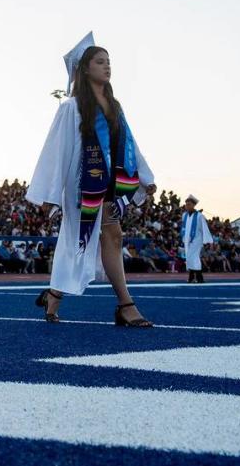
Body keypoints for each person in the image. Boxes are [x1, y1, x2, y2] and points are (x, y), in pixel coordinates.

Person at [26, 34, 157, 326]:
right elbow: (56, 151)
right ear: (85, 69)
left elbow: (129, 145)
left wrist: (144, 178)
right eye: (100, 62)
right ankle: (54, 294)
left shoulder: (114, 107)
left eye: (109, 62)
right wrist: (49, 193)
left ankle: (125, 305)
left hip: (110, 184)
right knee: (75, 242)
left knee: (113, 235)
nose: (107, 67)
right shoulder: (71, 108)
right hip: (81, 186)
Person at [181, 195, 214, 283]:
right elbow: (184, 228)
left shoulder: (199, 216)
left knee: (194, 256)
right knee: (189, 257)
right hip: (187, 240)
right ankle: (192, 276)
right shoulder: (184, 215)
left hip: (197, 239)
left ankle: (199, 277)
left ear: (193, 205)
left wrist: (209, 241)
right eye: (186, 204)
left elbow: (204, 228)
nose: (187, 206)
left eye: (189, 204)